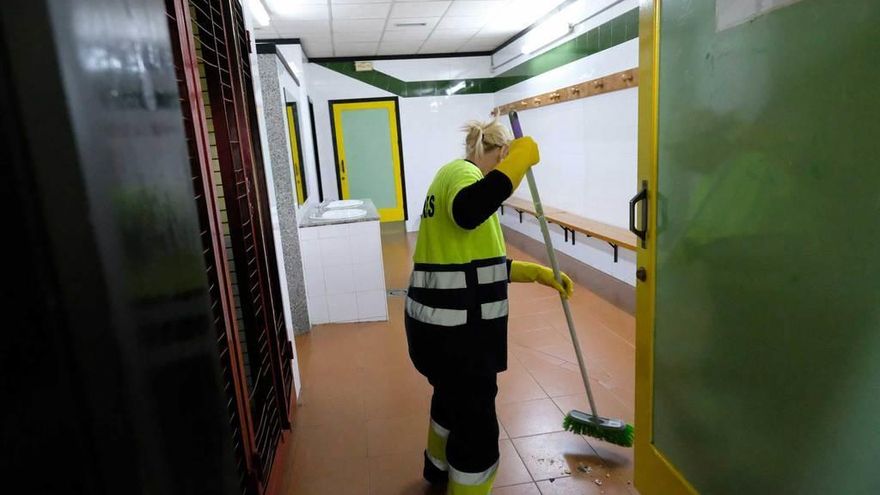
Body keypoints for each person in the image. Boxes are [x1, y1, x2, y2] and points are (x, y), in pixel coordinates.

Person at [405, 119, 574, 494]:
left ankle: (436, 471)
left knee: (449, 402)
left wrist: (534, 273)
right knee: (477, 430)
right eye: (505, 163)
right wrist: (520, 162)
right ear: (499, 154)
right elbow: (469, 210)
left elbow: (471, 266)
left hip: (440, 330)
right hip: (459, 336)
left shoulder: (451, 179)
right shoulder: (462, 174)